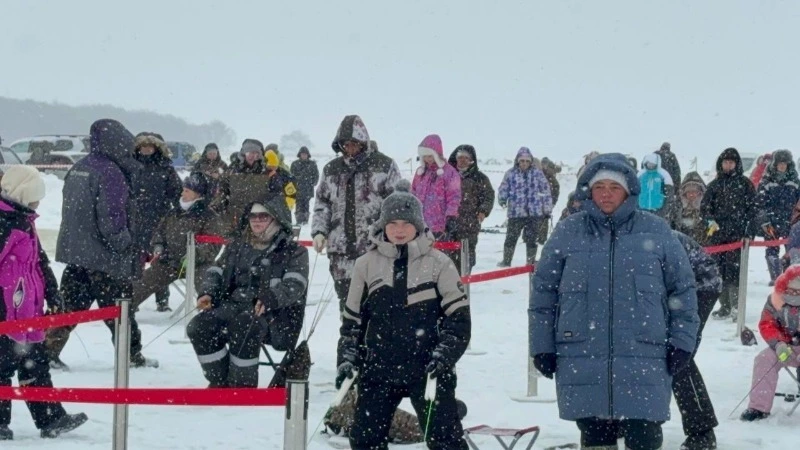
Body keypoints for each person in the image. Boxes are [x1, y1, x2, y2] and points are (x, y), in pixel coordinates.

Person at [530, 153, 699, 450]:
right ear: (588, 190)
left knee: (644, 437)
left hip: (644, 357)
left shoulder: (656, 231)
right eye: (599, 187)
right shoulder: (568, 232)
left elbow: (682, 291)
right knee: (595, 438)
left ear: (628, 191)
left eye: (614, 187)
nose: (606, 193)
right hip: (583, 355)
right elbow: (544, 295)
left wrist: (682, 341)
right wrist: (542, 346)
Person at [337, 179, 470, 449]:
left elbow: (459, 322)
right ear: (383, 225)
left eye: (406, 224)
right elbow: (352, 323)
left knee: (445, 440)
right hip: (379, 368)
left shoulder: (440, 263)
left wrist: (443, 356)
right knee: (365, 440)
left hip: (428, 368)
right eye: (393, 224)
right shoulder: (365, 264)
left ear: (418, 226)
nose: (399, 230)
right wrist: (347, 358)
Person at [46, 119, 157, 369]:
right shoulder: (111, 173)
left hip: (78, 252)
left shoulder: (80, 167)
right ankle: (131, 355)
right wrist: (126, 244)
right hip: (106, 257)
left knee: (69, 306)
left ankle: (47, 350)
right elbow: (112, 216)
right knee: (121, 311)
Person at [0, 166, 88, 440]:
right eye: (35, 196)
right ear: (23, 193)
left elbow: (39, 261)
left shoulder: (25, 219)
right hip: (6, 310)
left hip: (28, 311)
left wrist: (52, 291)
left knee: (35, 364)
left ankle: (51, 419)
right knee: (2, 367)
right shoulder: (6, 222)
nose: (38, 202)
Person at [310, 115, 402, 366]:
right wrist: (319, 231)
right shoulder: (331, 169)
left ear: (363, 142)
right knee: (348, 309)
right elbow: (322, 204)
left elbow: (397, 204)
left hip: (376, 251)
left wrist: (392, 238)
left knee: (377, 307)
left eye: (354, 143)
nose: (349, 149)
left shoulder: (384, 166)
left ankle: (377, 358)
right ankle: (351, 361)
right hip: (341, 254)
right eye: (345, 144)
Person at [188, 195, 308, 388]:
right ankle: (219, 380)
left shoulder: (294, 251)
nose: (257, 220)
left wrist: (270, 298)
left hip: (275, 315)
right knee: (199, 326)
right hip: (233, 305)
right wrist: (207, 292)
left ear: (276, 218)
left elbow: (295, 285)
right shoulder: (236, 247)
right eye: (253, 216)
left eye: (263, 216)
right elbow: (216, 271)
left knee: (245, 325)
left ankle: (242, 386)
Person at [131, 172, 221, 312]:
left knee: (208, 289)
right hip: (170, 262)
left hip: (199, 264)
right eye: (183, 190)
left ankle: (212, 316)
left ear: (198, 194)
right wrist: (158, 246)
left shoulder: (209, 216)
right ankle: (122, 311)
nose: (182, 194)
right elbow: (159, 233)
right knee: (141, 284)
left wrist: (193, 255)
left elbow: (213, 246)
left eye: (187, 191)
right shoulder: (173, 213)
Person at [671, 231, 721, 450]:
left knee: (679, 356)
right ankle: (630, 419)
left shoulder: (650, 234)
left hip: (699, 287)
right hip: (673, 290)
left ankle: (702, 429)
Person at [739, 265, 800, 422]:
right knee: (764, 359)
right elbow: (767, 324)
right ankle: (759, 407)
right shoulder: (774, 300)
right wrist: (778, 343)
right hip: (785, 346)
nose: (794, 295)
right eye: (791, 291)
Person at [702, 147, 756, 320]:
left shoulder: (745, 184)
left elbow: (752, 210)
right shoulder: (714, 185)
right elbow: (705, 208)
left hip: (737, 237)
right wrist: (710, 220)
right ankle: (724, 306)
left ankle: (736, 307)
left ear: (736, 164)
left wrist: (748, 231)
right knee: (719, 272)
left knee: (735, 273)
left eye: (731, 162)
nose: (728, 165)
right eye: (725, 162)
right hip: (717, 237)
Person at [132, 132, 182, 311]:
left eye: (150, 146)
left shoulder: (165, 168)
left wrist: (179, 212)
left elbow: (176, 192)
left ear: (156, 148)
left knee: (160, 263)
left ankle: (162, 300)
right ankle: (133, 300)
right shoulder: (130, 166)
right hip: (135, 222)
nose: (146, 149)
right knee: (134, 264)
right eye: (143, 146)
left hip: (159, 221)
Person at [497, 147, 553, 267]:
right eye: (522, 161)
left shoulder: (538, 174)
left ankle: (530, 262)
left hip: (534, 213)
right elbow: (504, 187)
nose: (524, 163)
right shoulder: (510, 173)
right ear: (518, 161)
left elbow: (546, 191)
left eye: (527, 161)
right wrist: (502, 198)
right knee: (511, 238)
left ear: (531, 161)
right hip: (515, 212)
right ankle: (506, 261)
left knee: (532, 239)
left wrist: (547, 209)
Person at [755, 150, 800, 286]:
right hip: (771, 223)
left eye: (784, 163)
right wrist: (765, 222)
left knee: (791, 251)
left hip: (790, 222)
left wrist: (796, 221)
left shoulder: (795, 182)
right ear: (775, 164)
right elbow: (760, 204)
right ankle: (776, 278)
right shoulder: (766, 181)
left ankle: (789, 277)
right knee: (771, 250)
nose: (782, 166)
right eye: (780, 163)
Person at [447, 144, 495, 271]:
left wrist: (483, 211)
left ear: (471, 160)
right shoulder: (448, 176)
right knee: (448, 254)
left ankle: (464, 281)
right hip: (449, 222)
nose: (462, 161)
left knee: (468, 254)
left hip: (470, 223)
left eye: (466, 158)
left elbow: (489, 196)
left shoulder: (480, 178)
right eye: (460, 157)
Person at [213, 139, 269, 235]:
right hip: (235, 219)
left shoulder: (268, 173)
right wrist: (218, 208)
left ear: (260, 155)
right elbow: (222, 193)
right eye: (249, 152)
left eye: (256, 153)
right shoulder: (232, 171)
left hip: (260, 220)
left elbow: (277, 198)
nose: (252, 156)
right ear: (243, 154)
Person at [411, 134, 461, 242]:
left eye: (430, 156)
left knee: (437, 256)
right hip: (420, 224)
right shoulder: (420, 173)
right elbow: (413, 193)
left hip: (439, 226)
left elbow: (454, 197)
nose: (427, 159)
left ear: (437, 155)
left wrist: (451, 216)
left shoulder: (449, 173)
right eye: (424, 156)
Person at [638, 152, 678, 226]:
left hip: (659, 209)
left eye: (652, 164)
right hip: (642, 208)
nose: (650, 166)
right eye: (649, 163)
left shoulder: (663, 175)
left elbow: (669, 194)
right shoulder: (640, 175)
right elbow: (634, 192)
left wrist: (665, 209)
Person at [290, 146, 319, 225]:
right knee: (298, 205)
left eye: (305, 154)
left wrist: (313, 183)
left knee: (306, 205)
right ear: (299, 155)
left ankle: (305, 220)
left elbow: (316, 175)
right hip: (297, 189)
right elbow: (291, 176)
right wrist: (294, 184)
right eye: (302, 154)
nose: (304, 156)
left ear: (308, 155)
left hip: (308, 189)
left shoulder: (312, 164)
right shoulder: (295, 164)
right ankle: (299, 220)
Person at [677, 172, 708, 244]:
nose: (691, 194)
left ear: (700, 193)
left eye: (694, 191)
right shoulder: (679, 210)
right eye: (688, 192)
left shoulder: (706, 209)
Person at [536, 157, 561, 246]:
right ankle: (537, 239)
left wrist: (552, 203)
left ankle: (541, 239)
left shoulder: (551, 179)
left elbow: (555, 192)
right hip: (538, 203)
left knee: (544, 220)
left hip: (545, 203)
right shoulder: (539, 175)